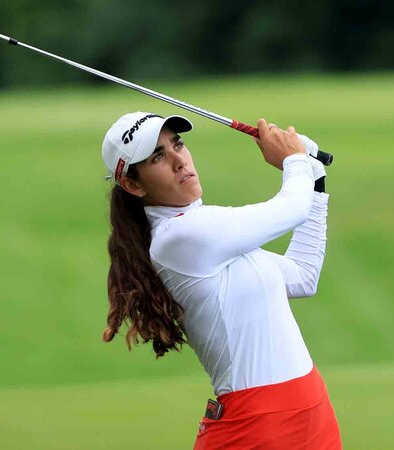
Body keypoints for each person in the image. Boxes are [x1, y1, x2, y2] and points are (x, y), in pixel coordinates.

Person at [100, 111, 341, 449]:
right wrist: (295, 160)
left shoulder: (207, 235)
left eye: (178, 145)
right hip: (257, 428)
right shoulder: (179, 238)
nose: (179, 161)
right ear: (133, 184)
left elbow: (303, 276)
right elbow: (291, 208)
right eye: (158, 157)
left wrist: (314, 177)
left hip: (310, 412)